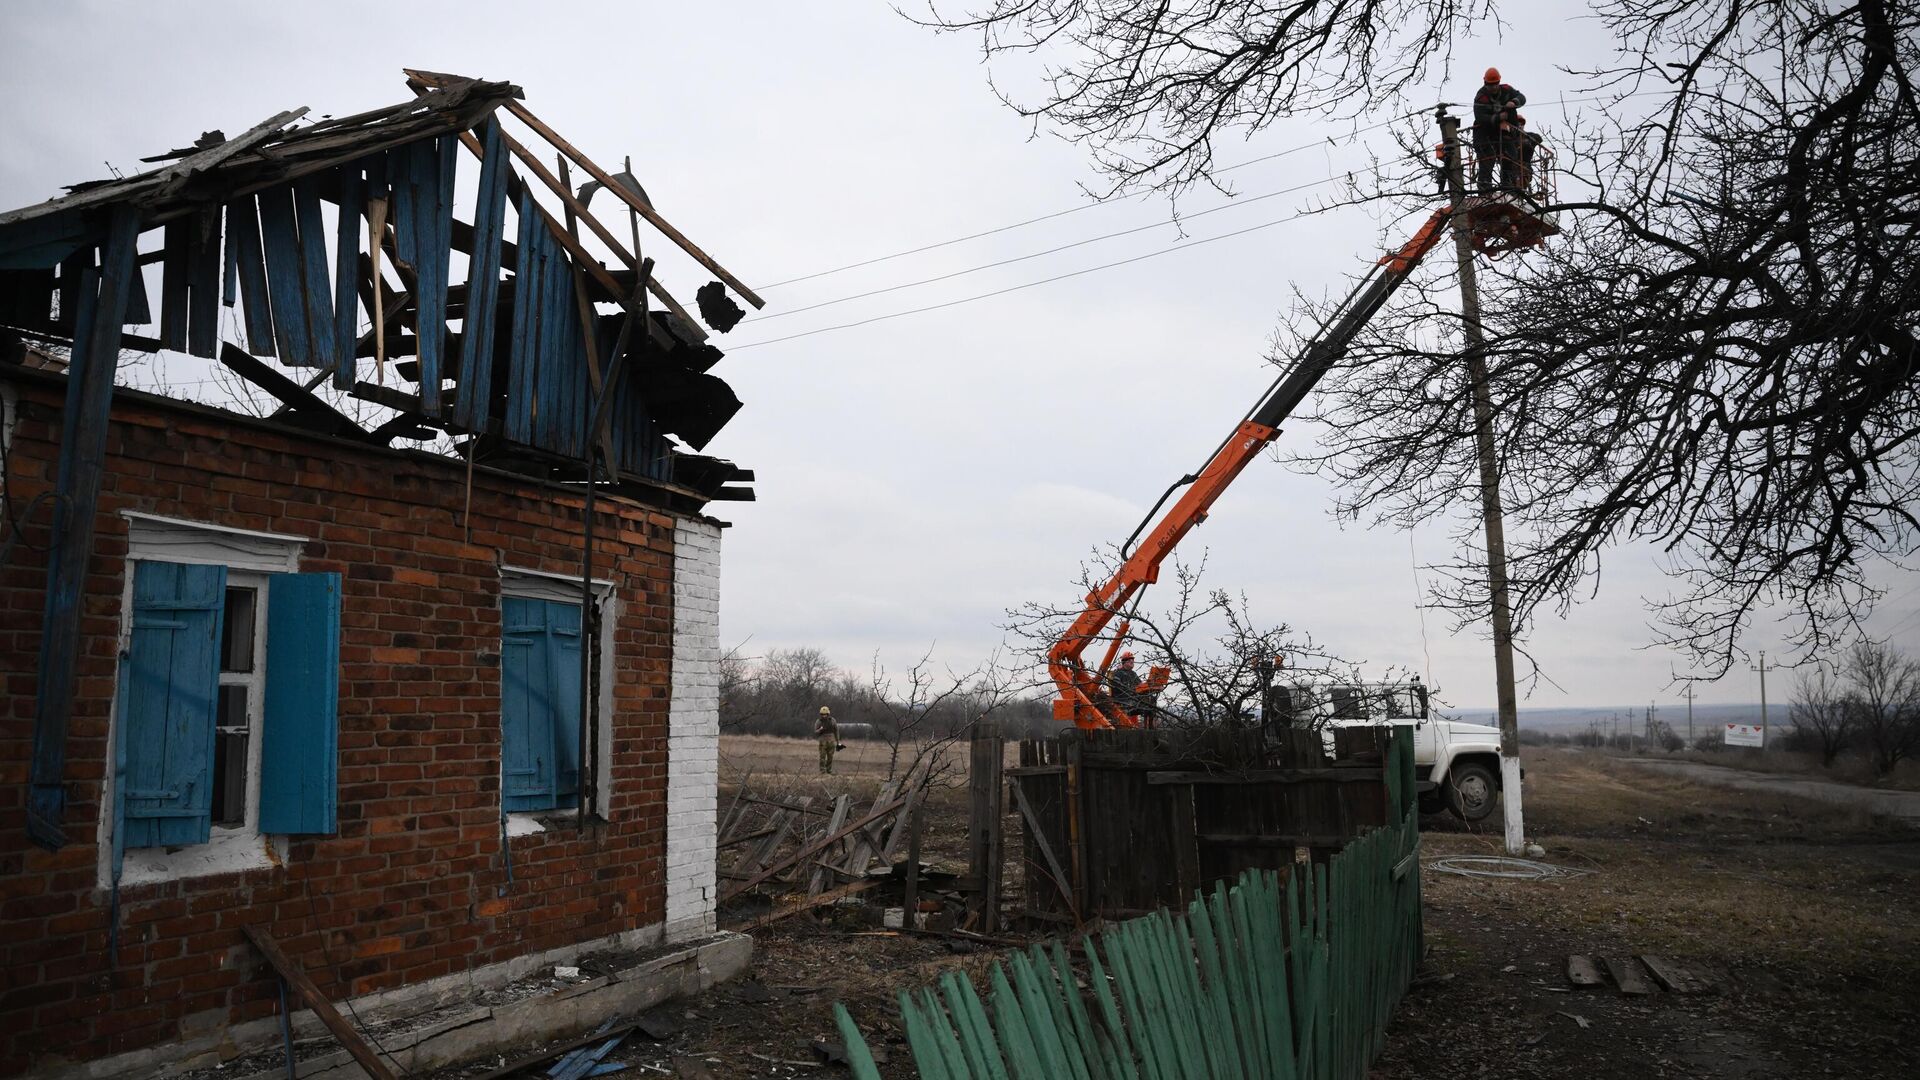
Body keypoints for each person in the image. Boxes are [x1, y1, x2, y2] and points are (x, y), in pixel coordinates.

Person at [1472, 68, 1526, 193]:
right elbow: (1480, 118)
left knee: (1509, 157)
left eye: (1495, 84)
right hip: (1485, 134)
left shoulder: (1507, 90)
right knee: (1486, 160)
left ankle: (1508, 188)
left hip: (1505, 133)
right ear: (1486, 84)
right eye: (1490, 85)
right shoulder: (1481, 97)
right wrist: (1497, 118)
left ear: (1499, 82)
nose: (1493, 87)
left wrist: (1514, 102)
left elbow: (1522, 97)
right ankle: (1485, 190)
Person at [1108, 652, 1147, 724]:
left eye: (1132, 660)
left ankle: (1149, 728)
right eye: (1129, 661)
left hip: (1130, 699)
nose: (1132, 662)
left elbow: (1140, 685)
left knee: (1148, 703)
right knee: (1139, 704)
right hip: (1121, 700)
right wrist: (1133, 691)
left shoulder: (1133, 674)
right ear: (1124, 662)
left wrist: (1149, 686)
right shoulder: (1118, 673)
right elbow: (1118, 688)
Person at [814, 705, 838, 775]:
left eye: (825, 714)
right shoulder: (818, 721)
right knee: (822, 756)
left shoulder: (833, 720)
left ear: (828, 714)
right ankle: (822, 770)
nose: (824, 716)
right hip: (822, 741)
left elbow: (836, 730)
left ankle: (829, 770)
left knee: (830, 756)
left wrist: (837, 740)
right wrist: (820, 730)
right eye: (822, 714)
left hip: (831, 741)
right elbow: (815, 731)